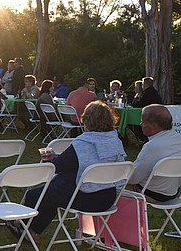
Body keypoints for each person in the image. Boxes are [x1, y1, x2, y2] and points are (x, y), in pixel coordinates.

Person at [17, 101, 127, 236]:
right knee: (53, 192)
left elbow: (57, 167)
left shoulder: (83, 144)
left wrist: (53, 158)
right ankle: (32, 230)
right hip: (107, 198)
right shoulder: (115, 142)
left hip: (85, 198)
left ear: (87, 121)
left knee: (36, 194)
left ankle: (25, 228)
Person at [126, 105, 181, 202]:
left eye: (143, 121)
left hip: (151, 193)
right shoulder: (178, 139)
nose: (140, 124)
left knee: (111, 186)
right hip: (172, 192)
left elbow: (133, 178)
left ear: (154, 125)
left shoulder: (152, 146)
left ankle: (120, 217)